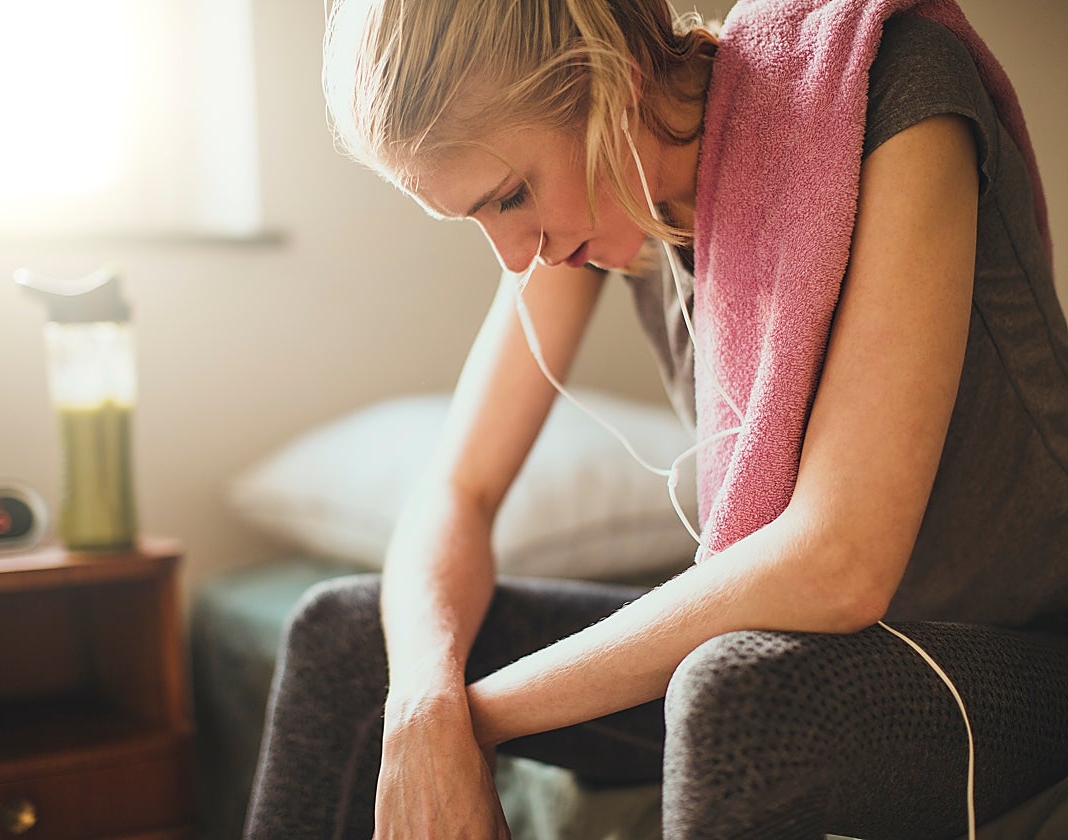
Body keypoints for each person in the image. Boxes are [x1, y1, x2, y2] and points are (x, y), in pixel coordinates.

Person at [244, 0, 1068, 837]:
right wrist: (422, 708)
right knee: (351, 640)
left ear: (609, 79)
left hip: (1011, 657)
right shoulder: (599, 195)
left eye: (512, 196)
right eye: (478, 217)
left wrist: (467, 726)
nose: (515, 253)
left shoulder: (891, 84)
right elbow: (459, 490)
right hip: (797, 650)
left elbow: (838, 562)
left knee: (730, 692)